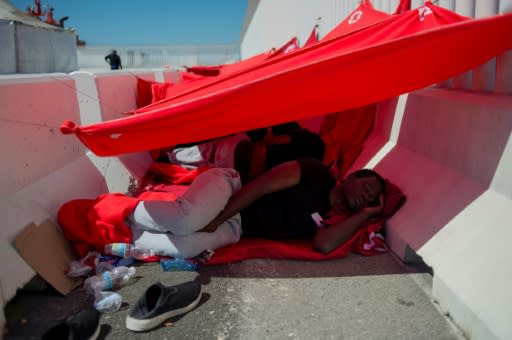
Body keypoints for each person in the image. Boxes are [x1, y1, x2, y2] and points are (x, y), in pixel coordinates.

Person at [128, 158, 386, 258]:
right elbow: (260, 186)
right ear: (351, 177)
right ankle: (125, 211)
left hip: (237, 227)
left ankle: (126, 233)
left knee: (185, 248)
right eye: (366, 188)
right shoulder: (316, 173)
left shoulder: (336, 218)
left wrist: (365, 215)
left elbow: (324, 245)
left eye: (371, 199)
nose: (366, 197)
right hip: (231, 191)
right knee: (187, 222)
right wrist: (217, 219)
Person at [156, 122, 327, 184]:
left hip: (240, 152)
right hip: (243, 175)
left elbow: (271, 140)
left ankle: (165, 159)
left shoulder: (297, 134)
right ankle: (166, 166)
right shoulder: (308, 165)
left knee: (195, 155)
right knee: (196, 169)